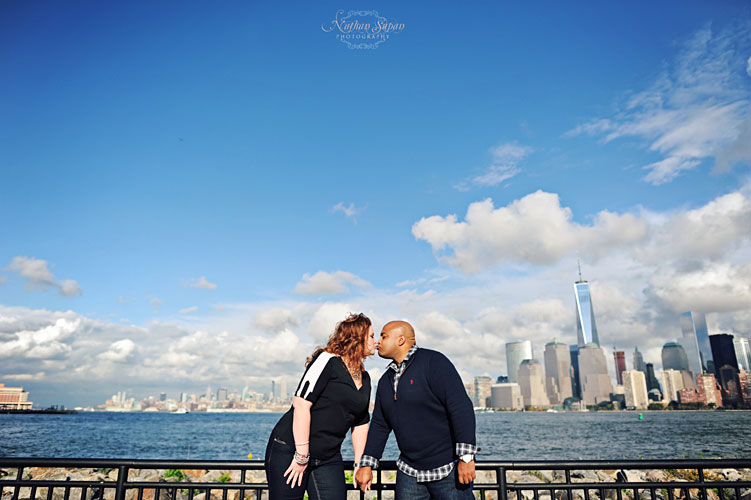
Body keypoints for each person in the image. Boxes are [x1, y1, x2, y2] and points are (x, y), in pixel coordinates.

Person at [355, 320, 478, 500]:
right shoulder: (384, 381)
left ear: (401, 340)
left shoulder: (434, 362)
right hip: (409, 472)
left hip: (447, 470)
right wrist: (367, 464)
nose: (377, 341)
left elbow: (460, 408)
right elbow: (380, 425)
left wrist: (466, 458)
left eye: (383, 336)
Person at [264, 312, 376, 500]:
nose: (376, 341)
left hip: (328, 457)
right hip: (291, 450)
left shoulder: (365, 378)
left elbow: (361, 423)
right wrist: (301, 456)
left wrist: (359, 463)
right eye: (371, 336)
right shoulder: (327, 360)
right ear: (357, 338)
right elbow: (301, 404)